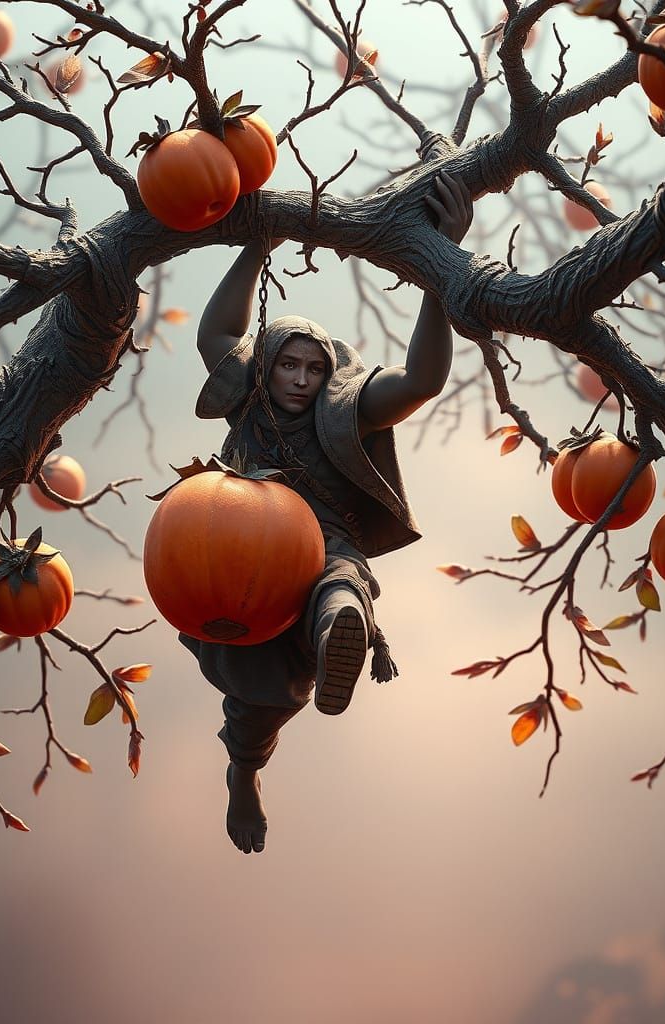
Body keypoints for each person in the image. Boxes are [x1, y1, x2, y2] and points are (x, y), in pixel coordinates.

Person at [184, 172, 473, 854]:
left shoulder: (346, 411)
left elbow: (422, 382)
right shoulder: (246, 399)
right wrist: (258, 244)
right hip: (240, 557)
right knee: (262, 703)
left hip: (321, 550)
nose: (302, 379)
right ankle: (244, 773)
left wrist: (443, 268)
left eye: (315, 369)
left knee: (342, 583)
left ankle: (342, 627)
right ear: (268, 366)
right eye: (289, 364)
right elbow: (218, 330)